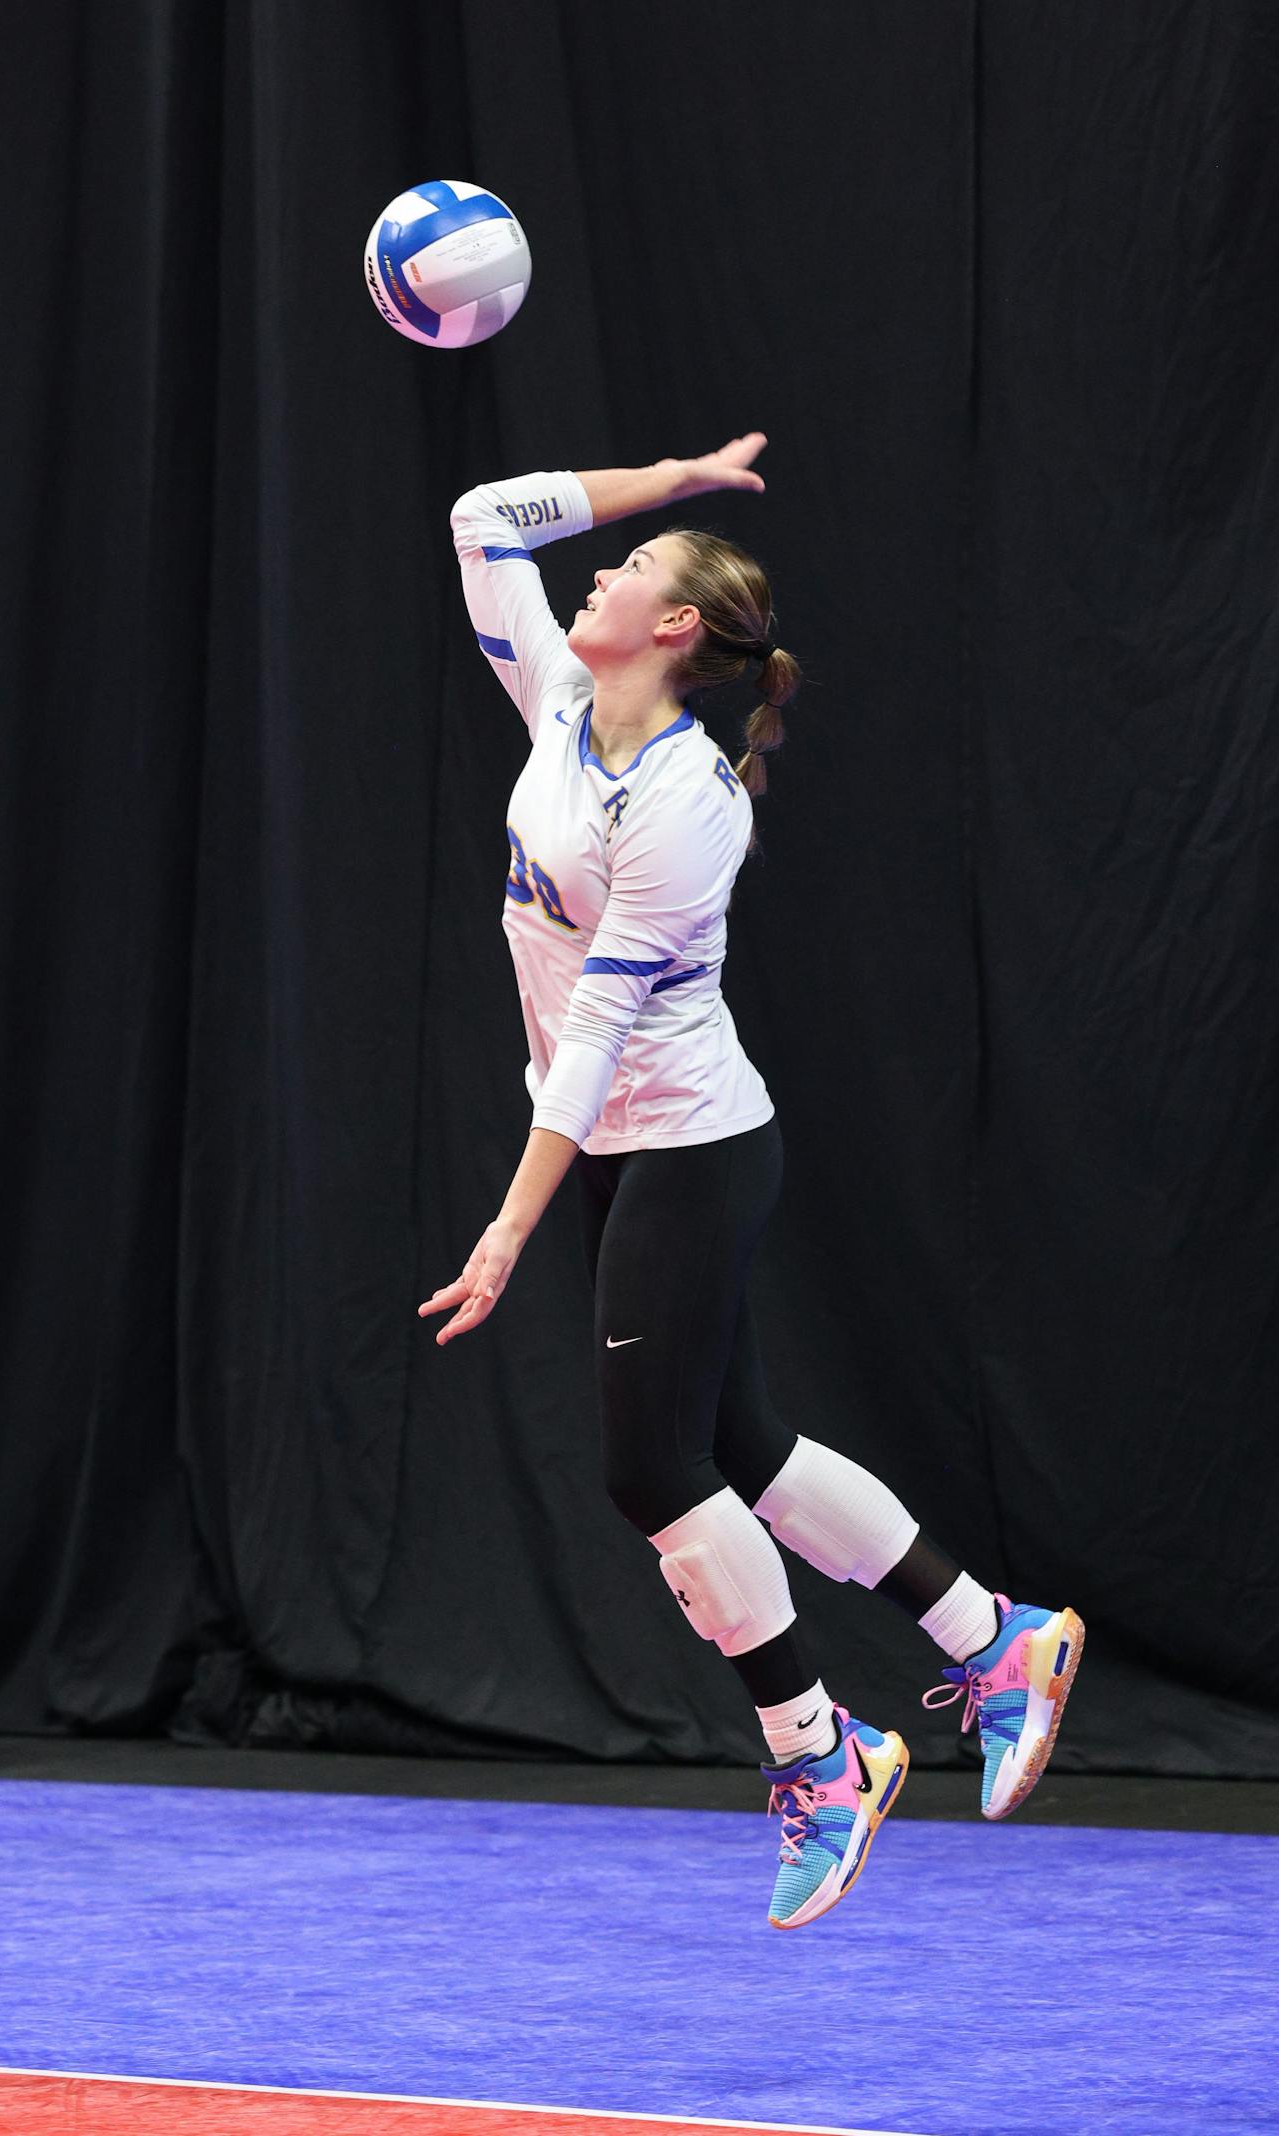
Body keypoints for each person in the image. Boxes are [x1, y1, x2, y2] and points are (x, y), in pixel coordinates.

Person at [418, 434, 1084, 1929]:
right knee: (750, 1452)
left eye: (634, 573)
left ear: (678, 635)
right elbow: (481, 519)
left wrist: (513, 1228)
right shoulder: (560, 698)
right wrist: (667, 485)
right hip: (617, 1147)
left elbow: (595, 1034)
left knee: (653, 1467)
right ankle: (999, 1640)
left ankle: (821, 1755)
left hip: (689, 1145)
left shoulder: (685, 801)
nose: (599, 574)